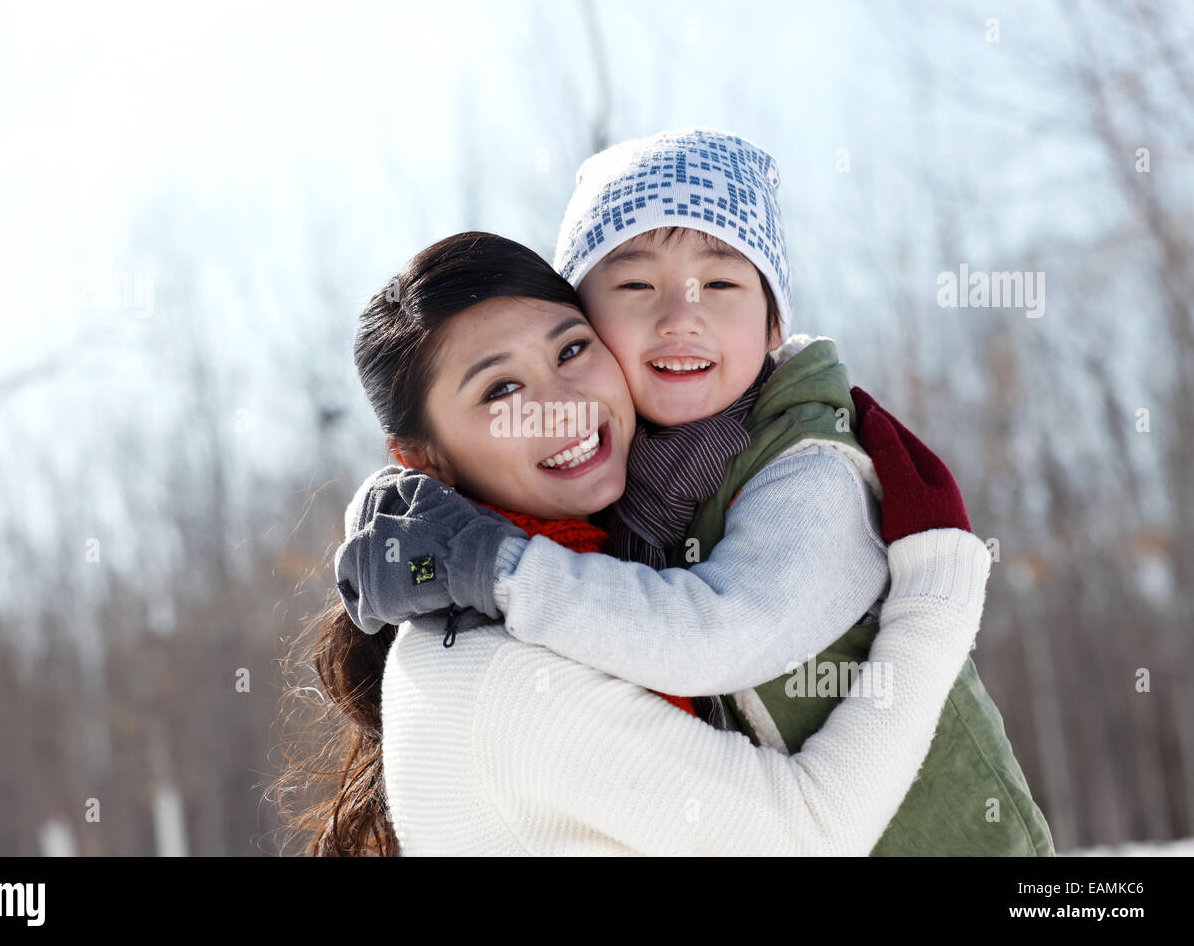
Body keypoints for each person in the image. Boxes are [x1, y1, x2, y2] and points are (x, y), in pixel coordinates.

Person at [337, 129, 1054, 856]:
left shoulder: (796, 469)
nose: (565, 403)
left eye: (570, 350)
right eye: (502, 388)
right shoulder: (511, 673)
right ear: (420, 460)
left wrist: (491, 564)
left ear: (776, 323)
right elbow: (805, 834)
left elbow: (724, 631)